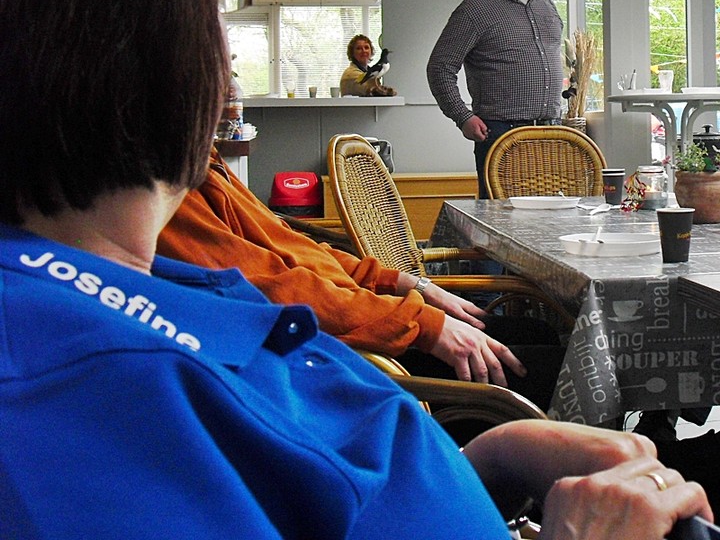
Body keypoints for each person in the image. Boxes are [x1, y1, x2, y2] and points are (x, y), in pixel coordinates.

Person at [0, 0, 710, 538]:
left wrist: (488, 464)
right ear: (121, 30)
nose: (224, 49)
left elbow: (335, 491)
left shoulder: (158, 289)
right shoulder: (97, 391)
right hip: (496, 139)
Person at [157, 149, 562, 406]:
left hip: (366, 316)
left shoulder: (206, 160)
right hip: (348, 354)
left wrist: (410, 284)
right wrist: (424, 324)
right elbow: (274, 292)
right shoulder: (171, 192)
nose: (230, 85)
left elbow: (300, 250)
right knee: (554, 368)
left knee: (537, 332)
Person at [426, 0, 565, 198]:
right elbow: (440, 68)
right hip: (502, 133)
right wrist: (463, 116)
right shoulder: (475, 10)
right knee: (502, 214)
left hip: (551, 132)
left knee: (552, 212)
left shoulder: (547, 6)